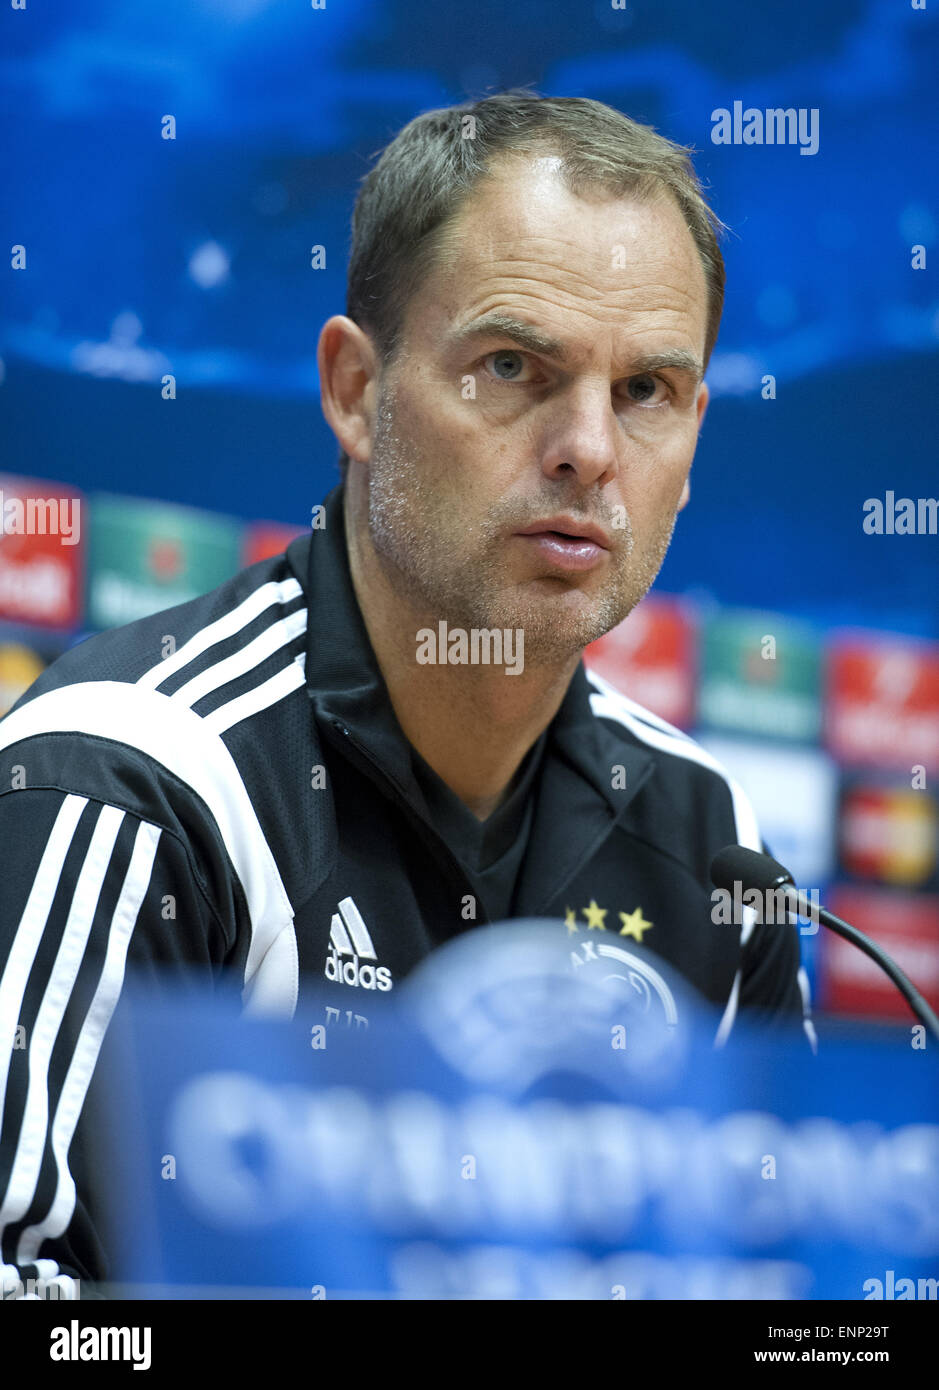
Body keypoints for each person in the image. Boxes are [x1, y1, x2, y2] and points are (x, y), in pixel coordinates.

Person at [0, 91, 813, 1295]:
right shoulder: (126, 782)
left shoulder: (708, 844)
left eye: (645, 391)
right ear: (354, 391)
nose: (589, 447)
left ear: (694, 434)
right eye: (512, 365)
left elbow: (775, 1297)